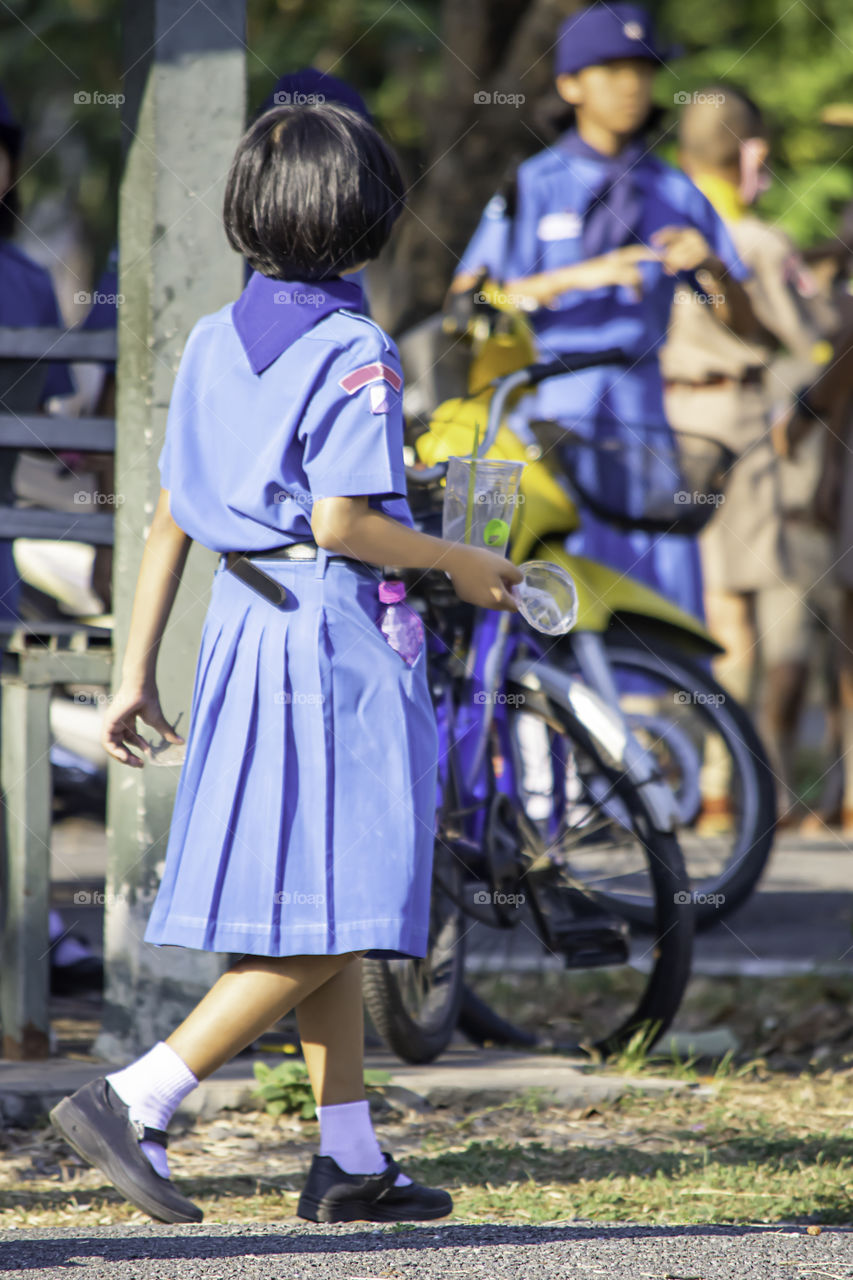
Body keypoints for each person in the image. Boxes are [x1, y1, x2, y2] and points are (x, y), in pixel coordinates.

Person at [50, 102, 522, 1226]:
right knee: (349, 909)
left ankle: (348, 1155)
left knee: (317, 898)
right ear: (365, 218)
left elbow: (169, 519)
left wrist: (133, 673)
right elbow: (342, 521)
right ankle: (138, 1093)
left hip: (242, 639)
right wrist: (458, 557)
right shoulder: (355, 348)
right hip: (332, 640)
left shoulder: (215, 338)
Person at [450, 3, 757, 618]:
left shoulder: (675, 191)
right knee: (559, 613)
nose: (631, 86)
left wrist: (715, 270)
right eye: (611, 70)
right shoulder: (532, 184)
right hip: (550, 422)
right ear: (569, 85)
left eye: (642, 70)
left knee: (658, 616)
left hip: (641, 427)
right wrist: (573, 277)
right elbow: (463, 305)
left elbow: (748, 329)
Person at [660, 86, 829, 822]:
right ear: (749, 151)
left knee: (662, 604)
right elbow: (811, 337)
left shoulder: (647, 229)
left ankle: (673, 776)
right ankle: (727, 787)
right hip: (735, 424)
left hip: (656, 420)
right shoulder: (757, 242)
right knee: (731, 612)